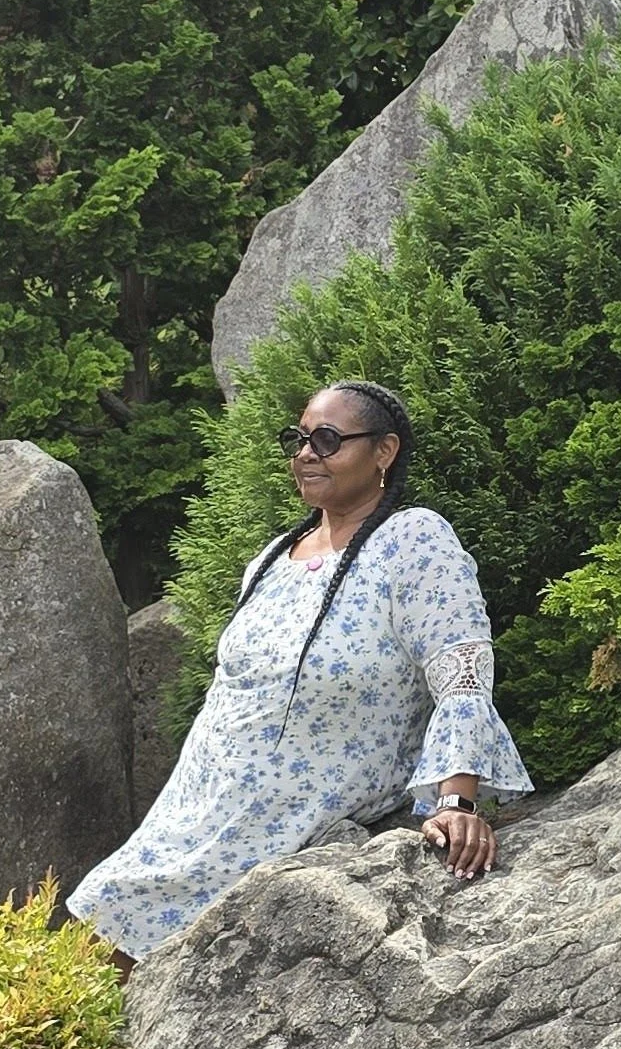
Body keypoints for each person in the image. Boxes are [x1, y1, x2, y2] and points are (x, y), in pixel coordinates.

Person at [67, 380, 533, 969]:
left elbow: (460, 673)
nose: (307, 454)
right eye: (300, 440)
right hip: (198, 809)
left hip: (297, 812)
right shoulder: (270, 558)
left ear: (384, 452)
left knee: (112, 937)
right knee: (96, 928)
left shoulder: (413, 540)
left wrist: (457, 803)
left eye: (329, 440)